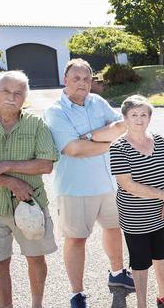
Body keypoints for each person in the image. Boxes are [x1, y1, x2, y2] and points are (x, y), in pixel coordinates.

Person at [44, 59, 133, 308]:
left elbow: (122, 126)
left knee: (114, 229)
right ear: (66, 80)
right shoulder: (55, 111)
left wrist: (92, 137)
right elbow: (73, 148)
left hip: (107, 183)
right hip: (75, 188)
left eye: (86, 78)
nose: (82, 83)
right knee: (76, 239)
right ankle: (77, 293)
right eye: (76, 78)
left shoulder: (98, 102)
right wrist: (107, 140)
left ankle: (117, 273)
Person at [0, 71, 58, 308]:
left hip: (31, 205)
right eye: (6, 91)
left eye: (18, 93)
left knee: (35, 258)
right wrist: (11, 181)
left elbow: (46, 164)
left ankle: (37, 304)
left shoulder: (36, 123)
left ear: (25, 97)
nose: (12, 97)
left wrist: (4, 166)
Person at [109, 95, 164, 308]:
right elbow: (127, 184)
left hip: (162, 213)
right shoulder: (118, 147)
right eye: (134, 115)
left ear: (149, 117)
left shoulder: (159, 140)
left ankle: (163, 294)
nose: (139, 119)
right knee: (140, 263)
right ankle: (142, 304)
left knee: (161, 254)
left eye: (143, 114)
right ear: (125, 118)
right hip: (136, 217)